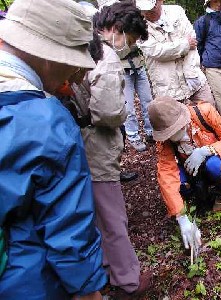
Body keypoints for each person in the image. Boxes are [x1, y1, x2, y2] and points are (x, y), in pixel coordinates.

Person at [0, 0, 107, 299]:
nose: (74, 75)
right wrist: (88, 290)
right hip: (27, 283)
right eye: (73, 63)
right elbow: (69, 229)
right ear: (49, 57)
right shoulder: (46, 122)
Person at [74, 1, 150, 298]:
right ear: (118, 30)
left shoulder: (84, 45)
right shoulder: (105, 56)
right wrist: (122, 113)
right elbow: (107, 111)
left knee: (95, 214)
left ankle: (105, 269)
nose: (127, 47)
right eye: (129, 40)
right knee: (112, 215)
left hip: (80, 143)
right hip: (97, 146)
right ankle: (128, 281)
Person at [148, 96, 221, 250]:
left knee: (215, 166)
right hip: (192, 170)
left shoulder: (203, 112)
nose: (169, 136)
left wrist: (207, 151)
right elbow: (166, 174)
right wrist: (181, 217)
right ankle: (196, 196)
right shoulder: (164, 141)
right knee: (179, 182)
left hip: (218, 161)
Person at [98, 0, 155, 153]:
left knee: (147, 101)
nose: (130, 45)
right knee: (128, 106)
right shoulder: (98, 49)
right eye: (129, 41)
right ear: (117, 28)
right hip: (95, 134)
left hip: (137, 65)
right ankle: (133, 136)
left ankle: (151, 133)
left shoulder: (127, 17)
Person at [135, 0, 215, 105]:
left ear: (160, 1)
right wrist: (185, 45)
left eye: (153, 7)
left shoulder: (176, 12)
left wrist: (191, 72)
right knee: (179, 120)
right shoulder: (139, 26)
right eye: (145, 10)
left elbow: (192, 39)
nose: (149, 12)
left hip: (194, 79)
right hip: (168, 88)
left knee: (210, 112)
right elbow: (156, 51)